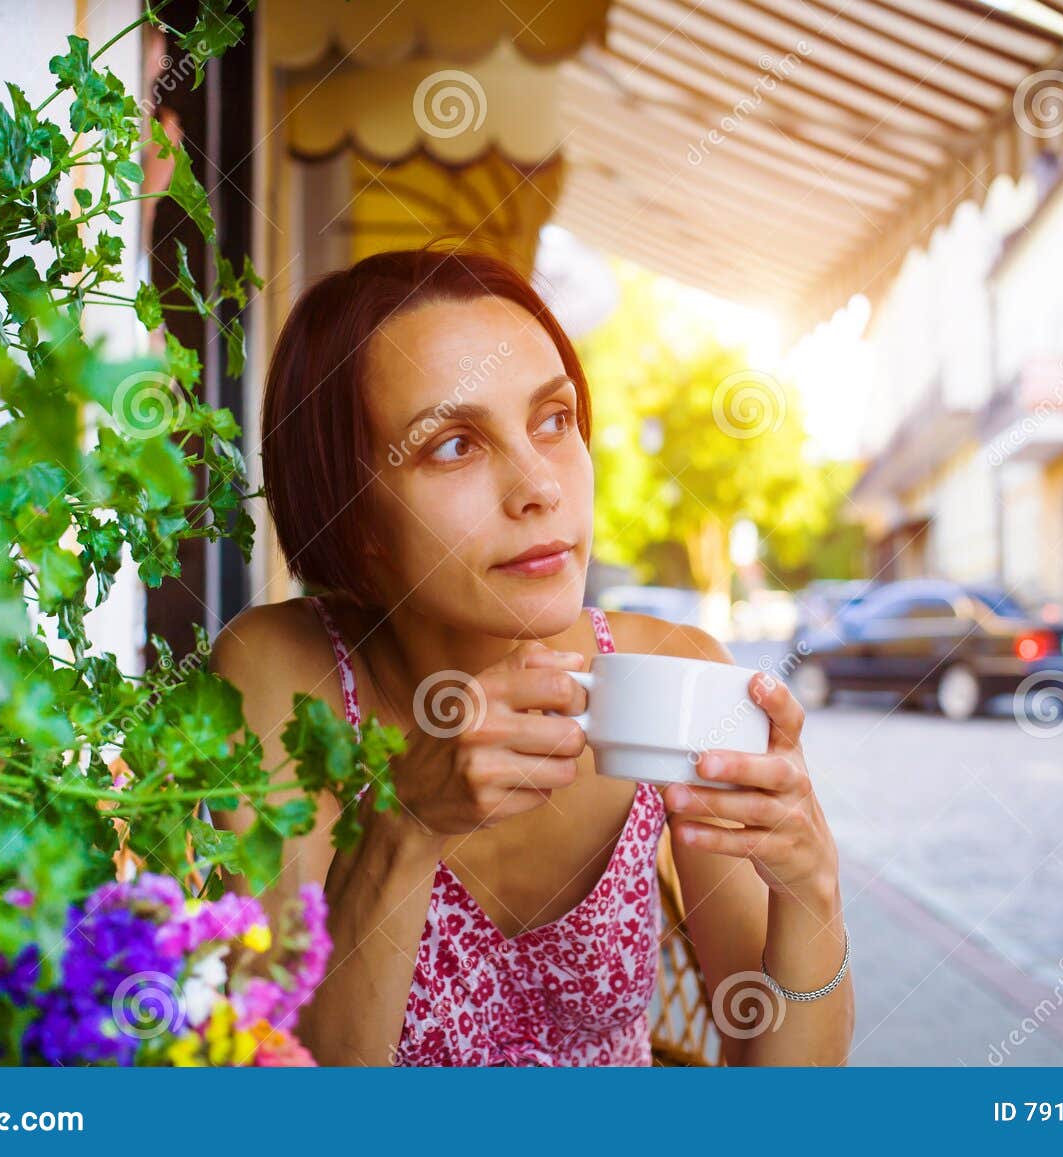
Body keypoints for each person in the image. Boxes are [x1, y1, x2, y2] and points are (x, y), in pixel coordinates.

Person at [210, 246, 851, 1066]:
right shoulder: (282, 674)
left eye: (554, 420)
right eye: (454, 445)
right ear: (351, 515)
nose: (539, 486)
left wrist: (810, 887)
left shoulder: (677, 669)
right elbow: (290, 1101)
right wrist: (406, 825)